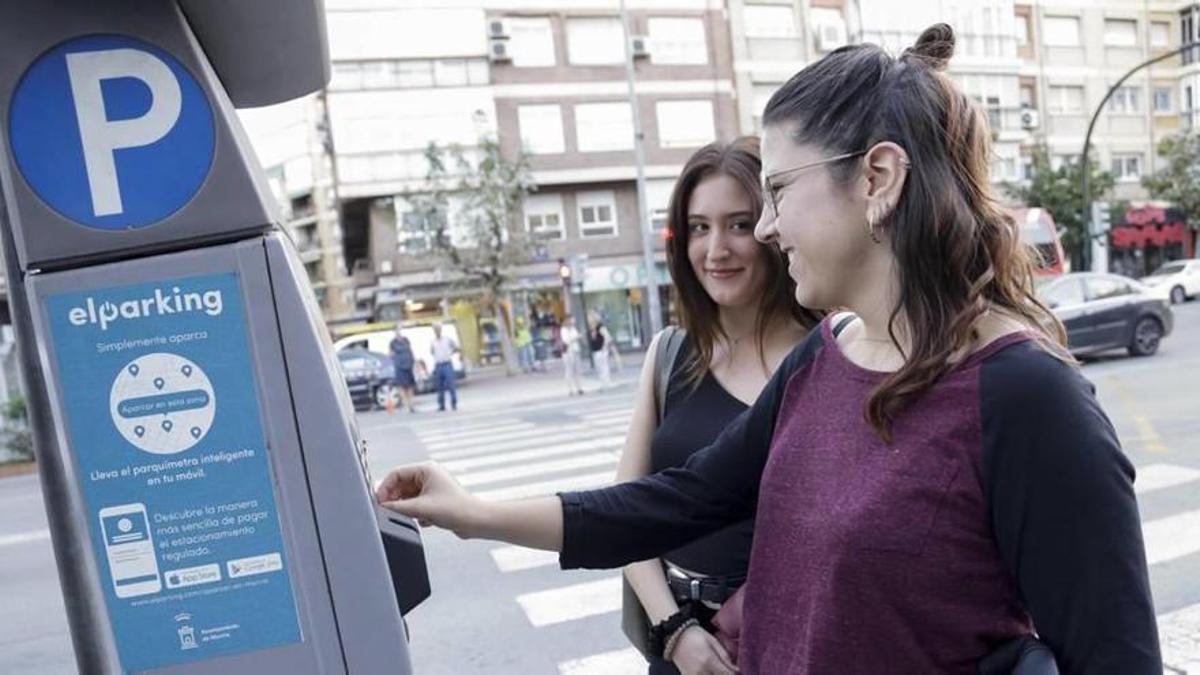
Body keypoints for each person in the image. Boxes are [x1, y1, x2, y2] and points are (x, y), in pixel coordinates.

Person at [377, 25, 1161, 674]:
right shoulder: (827, 353)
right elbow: (675, 500)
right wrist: (472, 513)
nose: (765, 228)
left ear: (878, 179)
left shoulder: (1028, 398)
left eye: (780, 191)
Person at [615, 137, 818, 674]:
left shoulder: (829, 354)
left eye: (738, 224)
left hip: (793, 637)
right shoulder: (668, 354)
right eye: (700, 228)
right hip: (680, 643)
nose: (716, 249)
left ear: (774, 228)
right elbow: (628, 513)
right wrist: (676, 631)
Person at [430, 323, 459, 412]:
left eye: (438, 328)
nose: (437, 330)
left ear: (441, 329)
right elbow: (431, 351)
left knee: (451, 385)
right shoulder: (433, 341)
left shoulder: (447, 339)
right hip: (438, 364)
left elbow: (456, 347)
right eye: (435, 329)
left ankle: (453, 403)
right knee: (439, 386)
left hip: (447, 363)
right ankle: (441, 405)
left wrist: (450, 353)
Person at [388, 326, 416, 413]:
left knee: (410, 385)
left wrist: (413, 360)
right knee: (402, 386)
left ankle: (411, 404)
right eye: (396, 331)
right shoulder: (393, 343)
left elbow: (411, 350)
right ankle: (406, 405)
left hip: (408, 364)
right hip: (399, 366)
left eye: (399, 330)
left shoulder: (406, 340)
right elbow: (390, 354)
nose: (398, 332)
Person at [559, 315, 585, 396]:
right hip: (568, 352)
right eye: (572, 320)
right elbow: (566, 340)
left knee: (577, 370)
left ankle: (579, 388)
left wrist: (578, 337)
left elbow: (576, 337)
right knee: (569, 370)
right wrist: (576, 337)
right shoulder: (563, 330)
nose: (573, 321)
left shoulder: (573, 329)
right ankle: (570, 389)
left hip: (575, 350)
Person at [589, 319, 613, 389]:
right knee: (599, 367)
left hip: (601, 351)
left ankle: (606, 382)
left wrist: (604, 346)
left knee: (604, 367)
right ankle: (603, 382)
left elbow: (607, 337)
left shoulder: (600, 327)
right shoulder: (592, 329)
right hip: (596, 351)